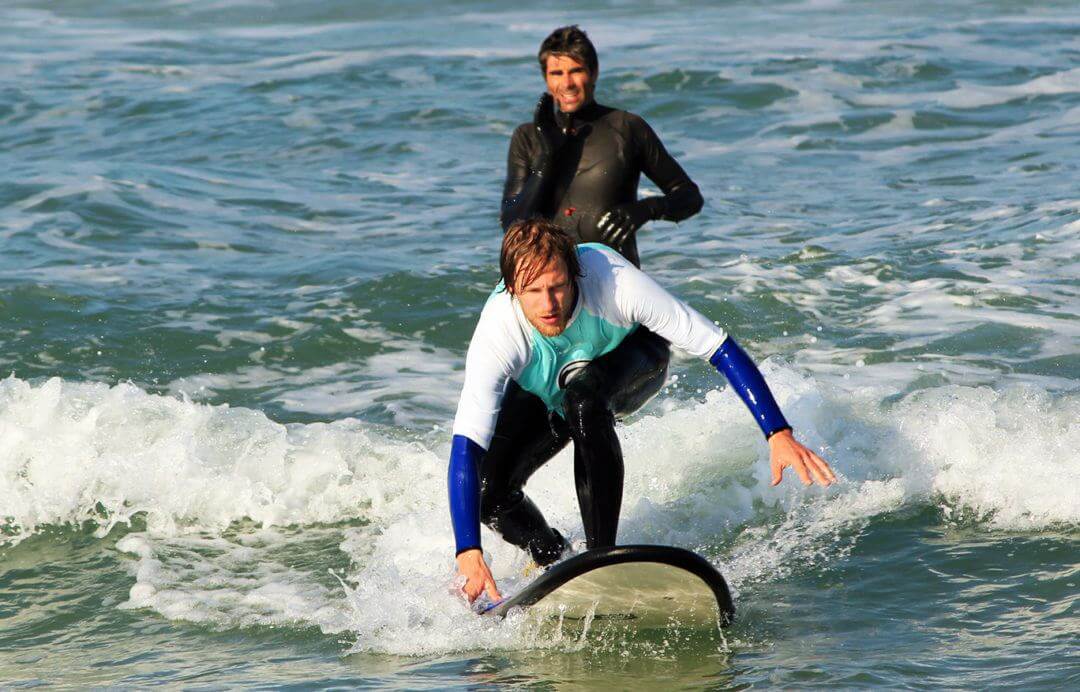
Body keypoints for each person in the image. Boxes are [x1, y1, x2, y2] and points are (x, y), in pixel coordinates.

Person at [449, 219, 836, 603]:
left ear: (575, 275)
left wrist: (777, 432)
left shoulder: (613, 280)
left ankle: (600, 561)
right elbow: (467, 445)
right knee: (488, 493)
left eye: (558, 287)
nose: (549, 304)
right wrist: (468, 551)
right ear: (512, 288)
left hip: (635, 360)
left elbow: (719, 347)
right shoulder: (498, 330)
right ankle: (555, 561)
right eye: (534, 291)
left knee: (583, 403)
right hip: (551, 389)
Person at [500, 25, 703, 269]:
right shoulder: (528, 137)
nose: (567, 83)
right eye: (557, 73)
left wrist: (646, 209)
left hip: (615, 279)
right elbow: (512, 223)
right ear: (546, 78)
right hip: (551, 284)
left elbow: (690, 197)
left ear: (594, 73)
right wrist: (546, 158)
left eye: (576, 70)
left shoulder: (626, 128)